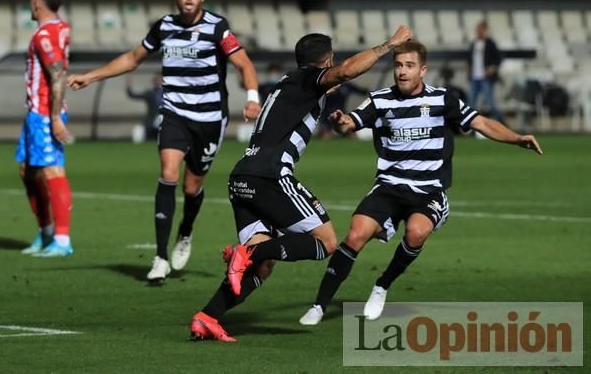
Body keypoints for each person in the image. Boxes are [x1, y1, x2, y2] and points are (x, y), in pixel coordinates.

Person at [188, 26, 414, 342]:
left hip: (242, 179)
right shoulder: (309, 80)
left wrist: (325, 89)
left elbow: (317, 89)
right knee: (326, 242)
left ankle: (207, 317)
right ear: (326, 62)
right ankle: (246, 254)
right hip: (270, 176)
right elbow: (347, 71)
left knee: (263, 265)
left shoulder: (288, 84)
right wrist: (389, 45)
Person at [298, 40, 542, 326]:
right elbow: (350, 123)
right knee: (355, 235)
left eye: (409, 66)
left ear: (423, 70)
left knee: (416, 233)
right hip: (389, 186)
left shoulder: (442, 99)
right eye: (398, 65)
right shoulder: (380, 99)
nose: (402, 71)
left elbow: (481, 123)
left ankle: (382, 285)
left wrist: (517, 138)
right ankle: (319, 305)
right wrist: (340, 121)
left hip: (428, 190)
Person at [68, 0, 262, 283]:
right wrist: (90, 77)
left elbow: (244, 64)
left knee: (191, 186)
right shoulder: (164, 27)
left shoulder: (217, 27)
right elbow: (132, 59)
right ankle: (160, 257)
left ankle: (185, 232)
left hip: (210, 118)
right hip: (175, 114)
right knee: (168, 173)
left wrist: (252, 98)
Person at [12, 0, 75, 257]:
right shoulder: (54, 24)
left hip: (43, 112)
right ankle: (46, 231)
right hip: (34, 112)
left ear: (37, 5)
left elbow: (57, 76)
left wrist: (55, 118)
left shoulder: (45, 37)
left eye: (33, 0)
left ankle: (63, 240)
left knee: (52, 171)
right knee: (27, 170)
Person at [467, 20, 504, 123]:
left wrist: (492, 68)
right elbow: (470, 59)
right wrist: (470, 69)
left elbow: (498, 58)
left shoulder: (490, 43)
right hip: (474, 78)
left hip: (486, 78)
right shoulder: (474, 43)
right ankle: (471, 127)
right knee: (471, 104)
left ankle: (501, 122)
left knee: (490, 102)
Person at [125, 73, 163, 140]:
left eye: (160, 80)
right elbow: (132, 95)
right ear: (154, 81)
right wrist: (128, 85)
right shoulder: (150, 93)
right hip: (152, 121)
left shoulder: (169, 93)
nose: (159, 82)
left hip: (166, 120)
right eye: (157, 80)